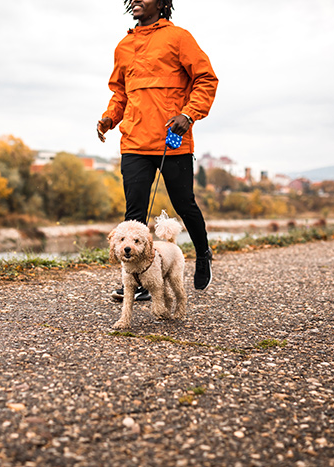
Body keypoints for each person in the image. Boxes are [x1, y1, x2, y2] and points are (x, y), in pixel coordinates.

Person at [97, 0, 218, 301]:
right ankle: (138, 283)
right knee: (134, 213)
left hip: (171, 139)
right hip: (135, 141)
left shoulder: (179, 38)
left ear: (162, 3)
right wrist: (110, 118)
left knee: (184, 203)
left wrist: (189, 115)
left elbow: (206, 79)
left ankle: (203, 254)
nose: (136, 0)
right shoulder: (124, 45)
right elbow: (120, 92)